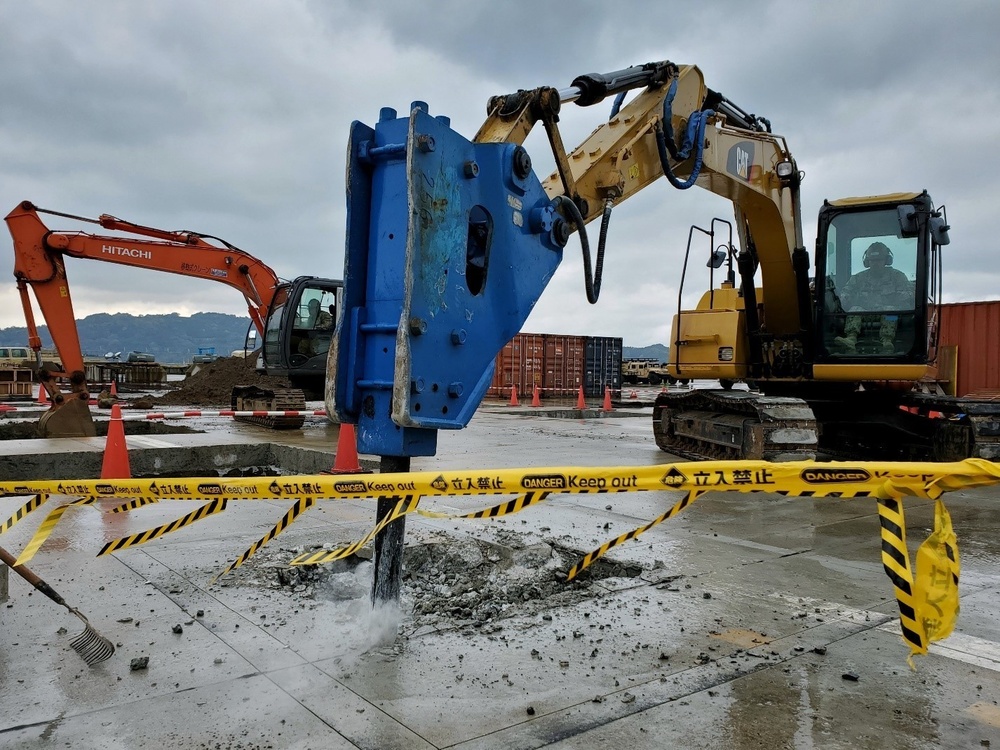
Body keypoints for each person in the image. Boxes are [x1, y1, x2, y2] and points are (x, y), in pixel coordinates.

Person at [833, 242, 913, 354]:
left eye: (879, 260)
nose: (876, 264)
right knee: (855, 309)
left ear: (886, 260)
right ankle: (851, 339)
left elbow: (909, 295)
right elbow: (844, 295)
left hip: (890, 316)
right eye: (872, 261)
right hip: (864, 314)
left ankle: (887, 341)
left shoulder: (897, 277)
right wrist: (845, 300)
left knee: (890, 311)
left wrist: (894, 299)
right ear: (867, 262)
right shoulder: (858, 278)